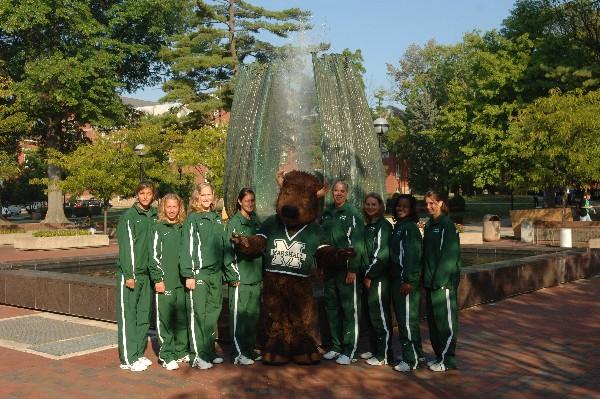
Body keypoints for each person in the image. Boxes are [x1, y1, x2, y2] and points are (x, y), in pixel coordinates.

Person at [180, 183, 226, 370]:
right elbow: (187, 247)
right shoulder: (193, 219)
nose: (207, 198)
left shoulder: (216, 218)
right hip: (199, 273)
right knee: (198, 314)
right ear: (197, 197)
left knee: (211, 314)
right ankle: (197, 356)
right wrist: (189, 274)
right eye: (203, 195)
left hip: (215, 274)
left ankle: (208, 351)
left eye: (209, 195)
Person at [320, 179, 365, 365]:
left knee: (349, 310)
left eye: (342, 191)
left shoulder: (353, 213)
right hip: (330, 270)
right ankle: (337, 347)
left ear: (347, 193)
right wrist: (321, 265)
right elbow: (321, 241)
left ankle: (350, 350)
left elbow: (358, 243)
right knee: (332, 308)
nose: (338, 194)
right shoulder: (327, 213)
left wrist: (353, 268)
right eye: (336, 191)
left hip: (347, 270)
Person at [117, 181, 157, 372]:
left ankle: (138, 354)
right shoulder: (129, 217)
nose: (145, 196)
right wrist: (129, 274)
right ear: (137, 195)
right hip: (132, 275)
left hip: (147, 275)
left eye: (148, 193)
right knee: (129, 317)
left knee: (143, 317)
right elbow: (127, 248)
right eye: (142, 193)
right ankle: (128, 358)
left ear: (153, 195)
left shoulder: (154, 215)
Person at [149, 193, 189, 371]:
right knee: (165, 319)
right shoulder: (158, 228)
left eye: (175, 206)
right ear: (163, 208)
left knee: (181, 318)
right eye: (169, 207)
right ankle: (166, 355)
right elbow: (153, 256)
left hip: (182, 282)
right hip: (166, 281)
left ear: (180, 208)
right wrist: (158, 279)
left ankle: (181, 351)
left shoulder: (183, 226)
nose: (172, 210)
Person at [423, 191, 461, 372]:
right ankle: (439, 356)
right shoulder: (430, 225)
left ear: (441, 203)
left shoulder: (447, 225)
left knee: (445, 323)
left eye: (432, 203)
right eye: (427, 203)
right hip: (430, 283)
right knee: (434, 323)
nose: (429, 206)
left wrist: (440, 280)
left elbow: (449, 255)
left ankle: (448, 360)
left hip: (443, 284)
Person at [224, 188, 262, 365]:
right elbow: (228, 252)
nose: (250, 204)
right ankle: (238, 353)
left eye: (252, 200)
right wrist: (233, 274)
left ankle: (248, 350)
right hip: (241, 278)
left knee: (252, 317)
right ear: (239, 202)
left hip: (255, 278)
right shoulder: (234, 223)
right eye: (247, 200)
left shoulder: (256, 221)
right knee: (239, 317)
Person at [390, 194, 425, 372]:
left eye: (405, 206)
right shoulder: (399, 227)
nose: (401, 209)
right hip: (398, 280)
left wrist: (408, 280)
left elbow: (412, 256)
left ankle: (410, 360)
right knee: (409, 320)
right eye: (398, 206)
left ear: (411, 210)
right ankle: (417, 353)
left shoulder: (409, 228)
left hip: (404, 281)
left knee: (406, 321)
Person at [359, 193, 392, 366]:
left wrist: (370, 275)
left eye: (374, 204)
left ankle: (384, 354)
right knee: (372, 315)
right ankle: (375, 349)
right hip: (368, 277)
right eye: (368, 204)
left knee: (380, 316)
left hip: (378, 279)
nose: (370, 207)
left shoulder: (383, 226)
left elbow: (381, 255)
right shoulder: (369, 226)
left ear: (380, 206)